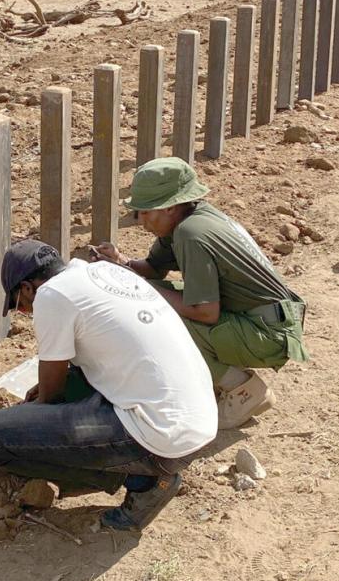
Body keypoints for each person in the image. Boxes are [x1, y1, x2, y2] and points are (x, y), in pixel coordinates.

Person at [0, 239, 218, 531]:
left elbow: (50, 397)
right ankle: (142, 469)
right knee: (73, 383)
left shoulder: (51, 294)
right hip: (198, 419)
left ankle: (142, 480)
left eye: (22, 307)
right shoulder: (103, 273)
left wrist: (29, 419)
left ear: (27, 288)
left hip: (161, 435)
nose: (28, 313)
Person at [93, 157, 309, 429]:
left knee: (154, 315)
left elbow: (205, 312)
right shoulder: (189, 219)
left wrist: (140, 287)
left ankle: (243, 390)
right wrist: (120, 262)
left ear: (170, 207)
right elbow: (153, 269)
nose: (141, 221)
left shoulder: (190, 234)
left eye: (146, 212)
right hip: (263, 321)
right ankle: (217, 380)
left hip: (268, 335)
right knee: (148, 298)